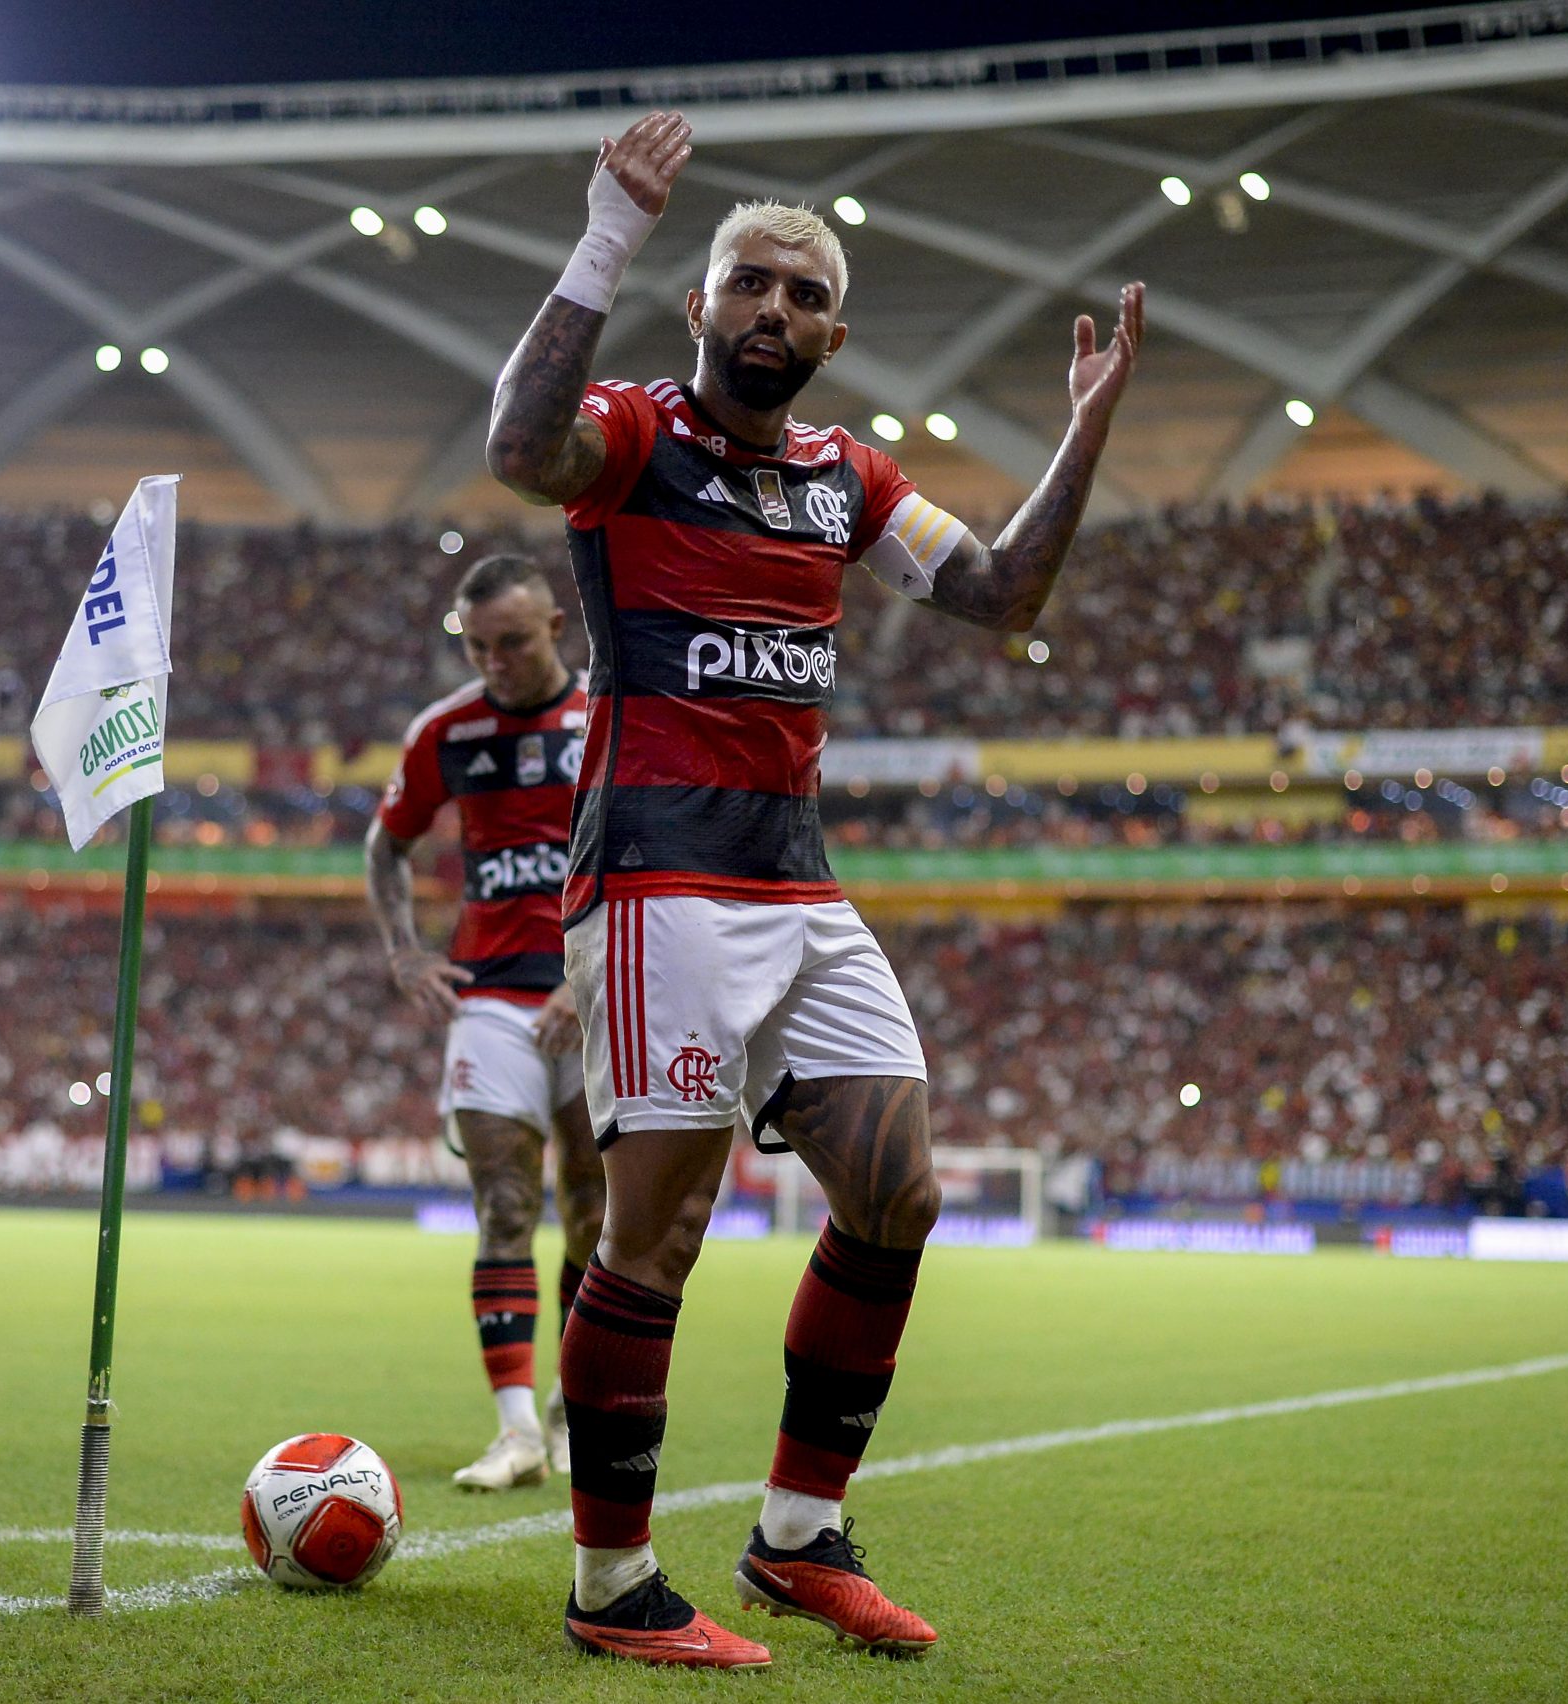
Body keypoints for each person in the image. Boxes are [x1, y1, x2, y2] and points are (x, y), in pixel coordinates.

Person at [486, 110, 1143, 1668]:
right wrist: (606, 232)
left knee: (901, 1194)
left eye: (800, 294)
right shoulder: (639, 437)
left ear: (834, 334)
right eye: (747, 284)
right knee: (657, 1235)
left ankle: (795, 1540)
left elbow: (1001, 592)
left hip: (795, 884)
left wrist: (1087, 428)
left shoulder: (848, 480)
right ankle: (611, 1589)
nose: (771, 310)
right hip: (659, 881)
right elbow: (523, 449)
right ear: (701, 306)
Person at [367, 553, 608, 1492]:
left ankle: (570, 1408)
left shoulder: (607, 719)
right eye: (477, 647)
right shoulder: (445, 732)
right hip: (491, 999)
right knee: (506, 1207)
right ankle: (516, 1433)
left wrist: (588, 976)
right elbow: (386, 845)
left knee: (595, 1217)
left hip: (597, 997)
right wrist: (403, 951)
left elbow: (649, 853)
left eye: (511, 642)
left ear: (555, 628)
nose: (495, 661)